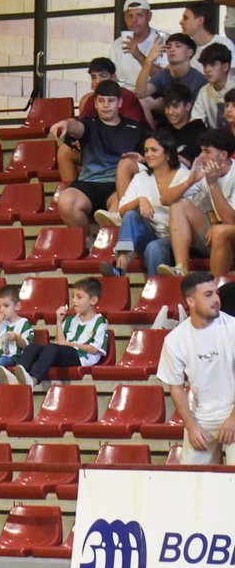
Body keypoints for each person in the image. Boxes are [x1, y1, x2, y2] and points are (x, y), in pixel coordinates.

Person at [158, 272, 235, 464]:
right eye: (208, 295)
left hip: (233, 411)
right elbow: (175, 387)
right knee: (190, 480)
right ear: (191, 301)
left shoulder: (232, 328)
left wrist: (233, 419)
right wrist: (191, 426)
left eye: (216, 293)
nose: (216, 299)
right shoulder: (175, 340)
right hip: (201, 417)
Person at [51, 82, 147, 230]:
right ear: (95, 103)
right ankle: (86, 243)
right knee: (65, 201)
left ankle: (105, 247)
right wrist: (65, 124)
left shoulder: (135, 128)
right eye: (101, 101)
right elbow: (76, 127)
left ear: (119, 102)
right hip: (88, 183)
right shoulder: (90, 124)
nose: (105, 105)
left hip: (118, 187)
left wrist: (142, 159)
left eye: (111, 101)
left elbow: (150, 154)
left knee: (119, 211)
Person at [0, 277, 110, 391]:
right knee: (32, 348)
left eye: (79, 297)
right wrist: (59, 321)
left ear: (93, 301)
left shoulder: (99, 321)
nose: (74, 301)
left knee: (52, 348)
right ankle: (16, 378)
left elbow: (94, 349)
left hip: (82, 357)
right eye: (73, 297)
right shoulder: (71, 320)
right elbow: (60, 343)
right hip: (67, 351)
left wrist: (70, 344)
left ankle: (33, 380)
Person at [98, 133, 187, 275]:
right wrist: (140, 200)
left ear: (168, 153)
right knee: (131, 215)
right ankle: (121, 264)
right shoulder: (141, 177)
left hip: (178, 239)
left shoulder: (183, 175)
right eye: (146, 151)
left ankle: (154, 293)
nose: (149, 154)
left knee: (154, 248)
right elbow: (121, 211)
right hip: (150, 234)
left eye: (154, 150)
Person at [160, 129, 235, 276]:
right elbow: (165, 200)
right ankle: (181, 268)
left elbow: (231, 221)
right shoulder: (203, 171)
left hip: (229, 231)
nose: (201, 157)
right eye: (201, 151)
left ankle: (217, 288)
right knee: (178, 205)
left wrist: (213, 185)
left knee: (221, 231)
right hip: (215, 233)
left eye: (207, 151)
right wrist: (189, 181)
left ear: (223, 155)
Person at [140, 34, 208, 125]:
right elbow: (140, 93)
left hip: (192, 126)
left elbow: (197, 115)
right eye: (169, 47)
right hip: (169, 125)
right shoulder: (163, 74)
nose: (172, 50)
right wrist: (148, 61)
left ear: (190, 52)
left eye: (178, 46)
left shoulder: (200, 80)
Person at [112, 0, 167, 91]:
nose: (134, 20)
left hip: (151, 94)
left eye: (139, 15)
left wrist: (139, 56)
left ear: (149, 16)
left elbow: (165, 77)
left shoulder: (161, 40)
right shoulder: (117, 43)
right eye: (130, 16)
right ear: (124, 18)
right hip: (123, 95)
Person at [180, 2, 235, 67]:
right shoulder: (187, 48)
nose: (181, 22)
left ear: (200, 20)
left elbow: (231, 74)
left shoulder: (224, 44)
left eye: (186, 18)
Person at [195, 44, 234, 124]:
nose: (207, 70)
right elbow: (196, 122)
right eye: (205, 65)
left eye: (213, 64)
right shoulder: (204, 91)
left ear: (225, 67)